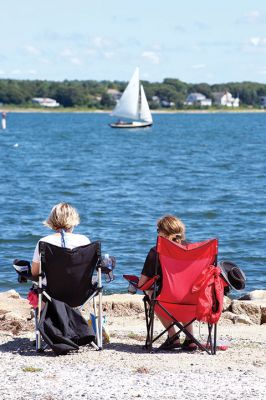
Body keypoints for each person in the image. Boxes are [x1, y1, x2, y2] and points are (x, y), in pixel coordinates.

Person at [138, 215, 197, 351]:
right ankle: (190, 339)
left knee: (150, 292)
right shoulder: (192, 250)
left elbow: (142, 283)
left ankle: (173, 336)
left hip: (166, 302)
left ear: (164, 233)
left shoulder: (156, 251)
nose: (157, 233)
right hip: (193, 301)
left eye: (158, 230)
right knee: (185, 290)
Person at [31, 202, 90, 278]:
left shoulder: (44, 242)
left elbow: (35, 273)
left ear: (52, 220)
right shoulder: (84, 240)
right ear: (74, 220)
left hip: (51, 288)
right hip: (82, 287)